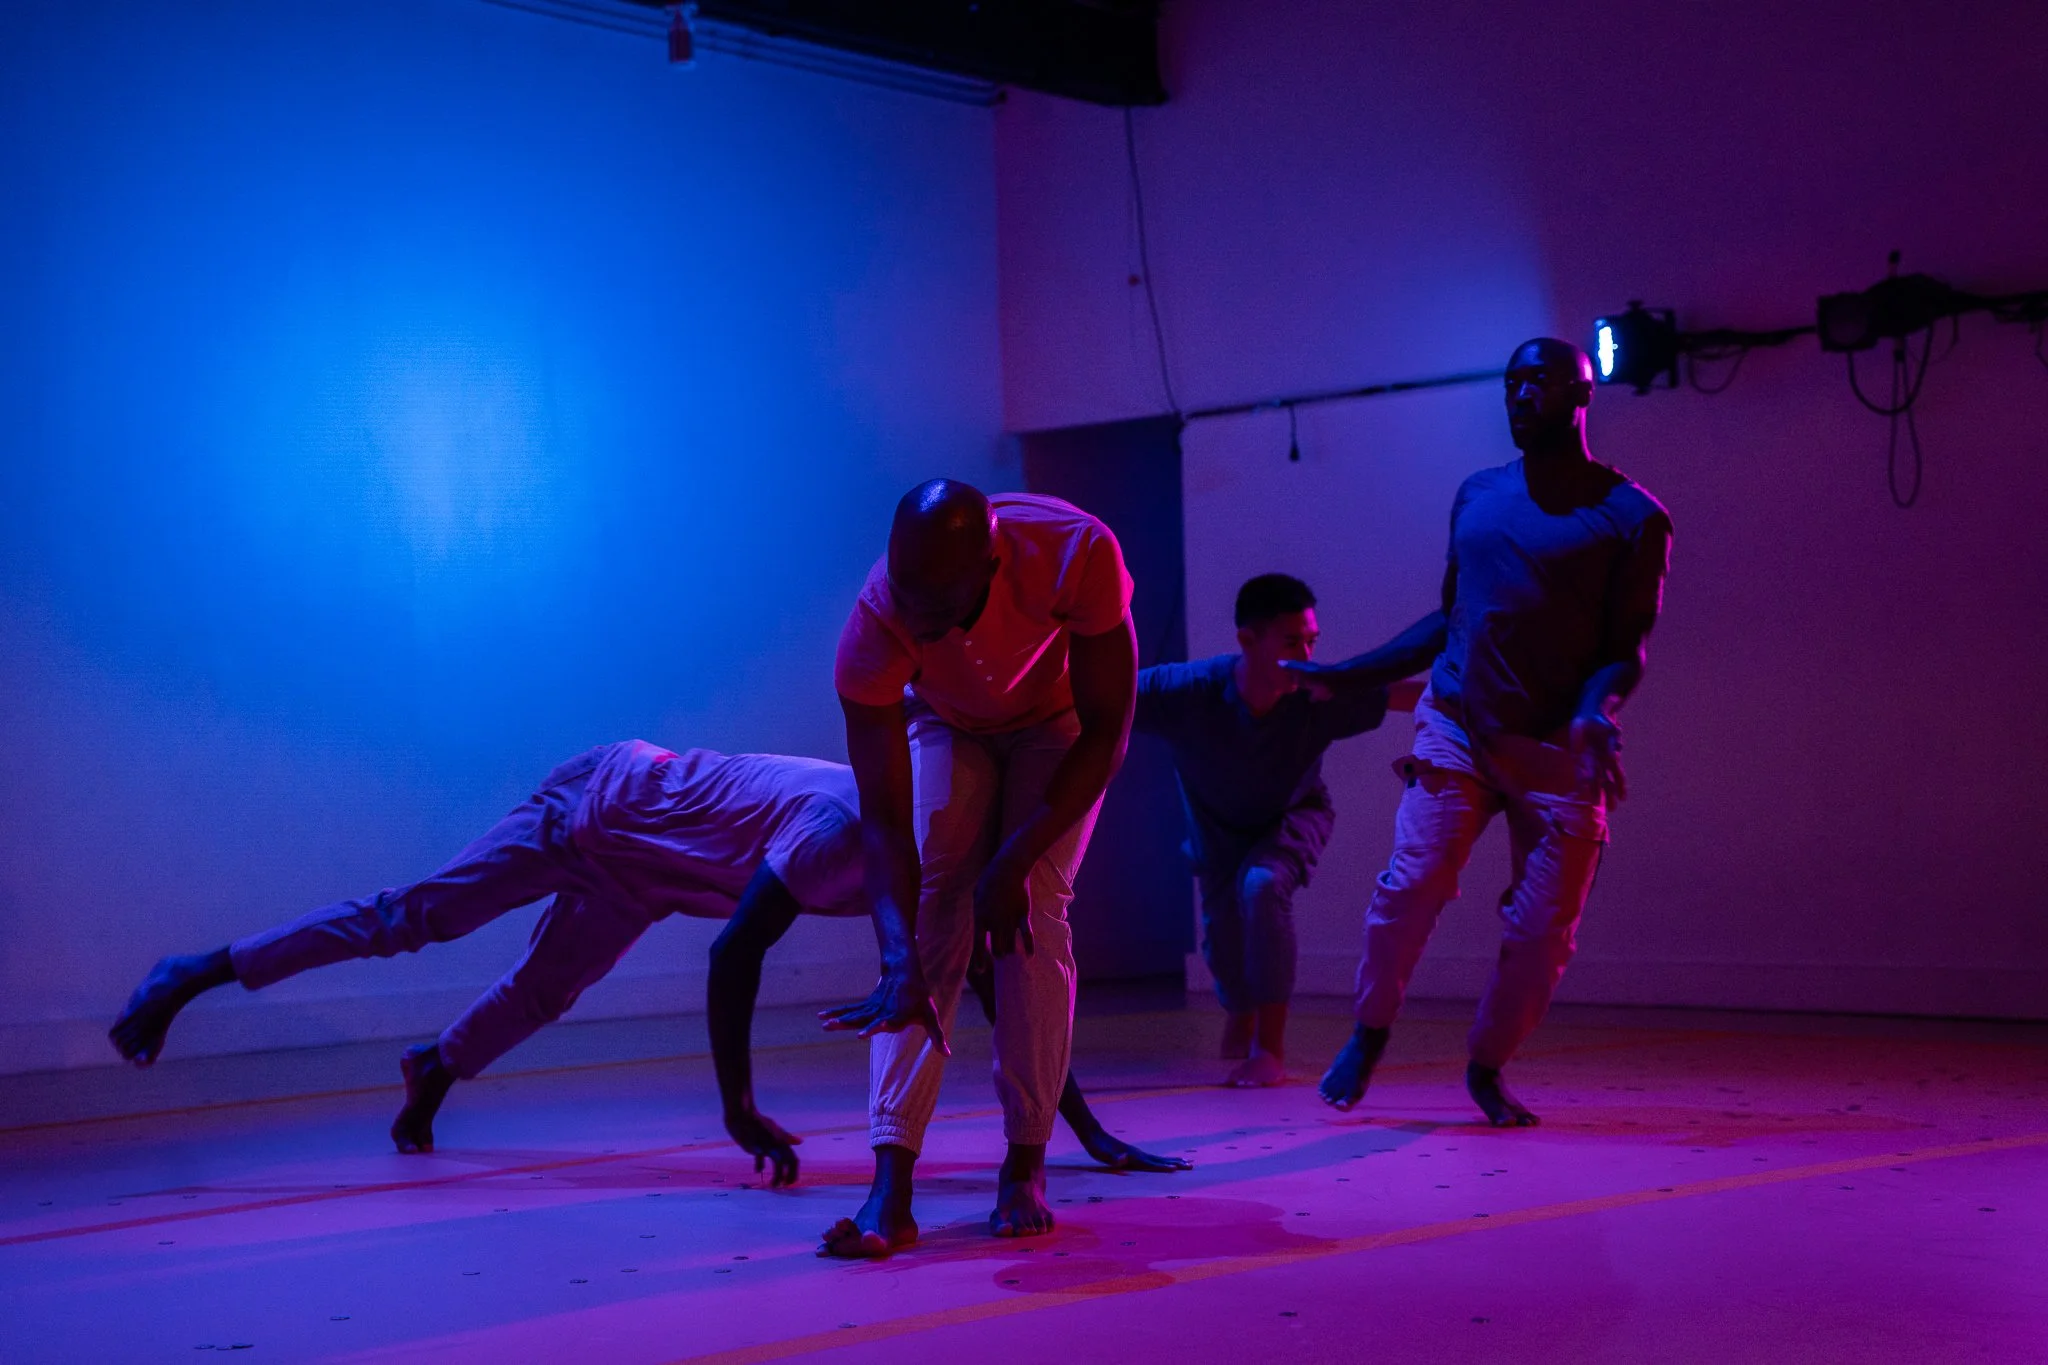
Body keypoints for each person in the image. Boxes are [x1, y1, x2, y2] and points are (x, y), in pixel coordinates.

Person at [107, 741, 1185, 1182]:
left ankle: (434, 1063)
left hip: (651, 875)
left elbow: (1000, 991)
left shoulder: (924, 866)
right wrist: (738, 1109)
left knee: (547, 989)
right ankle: (194, 972)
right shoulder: (839, 830)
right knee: (415, 918)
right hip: (593, 810)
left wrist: (1078, 1132)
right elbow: (734, 956)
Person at [1288, 338, 1673, 1128]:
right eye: (1511, 383)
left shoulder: (1634, 516)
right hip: (1460, 724)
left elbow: (1626, 648)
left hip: (1558, 749)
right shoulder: (1478, 495)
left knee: (1541, 933)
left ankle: (1487, 1065)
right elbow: (1451, 617)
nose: (1521, 395)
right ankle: (1370, 1030)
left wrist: (1593, 711)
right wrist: (1349, 672)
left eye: (1540, 381)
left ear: (1581, 395)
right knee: (1412, 882)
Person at [820, 479, 1137, 1256]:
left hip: (1059, 720)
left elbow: (1107, 730)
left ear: (990, 570)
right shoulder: (876, 630)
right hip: (947, 721)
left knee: (1033, 906)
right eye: (907, 602)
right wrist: (896, 954)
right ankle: (890, 1185)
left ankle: (1025, 1162)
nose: (917, 624)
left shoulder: (1076, 550)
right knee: (931, 911)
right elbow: (884, 823)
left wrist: (1015, 856)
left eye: (936, 607)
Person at [1134, 574, 1419, 1087]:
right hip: (1217, 832)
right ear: (1248, 640)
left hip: (1293, 817)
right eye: (1291, 643)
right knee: (1223, 941)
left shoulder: (1318, 695)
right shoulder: (1188, 691)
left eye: (1312, 641)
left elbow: (1406, 695)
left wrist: (1499, 704)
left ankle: (1269, 1050)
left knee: (1262, 887)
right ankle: (1241, 1012)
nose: (1306, 656)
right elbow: (1102, 693)